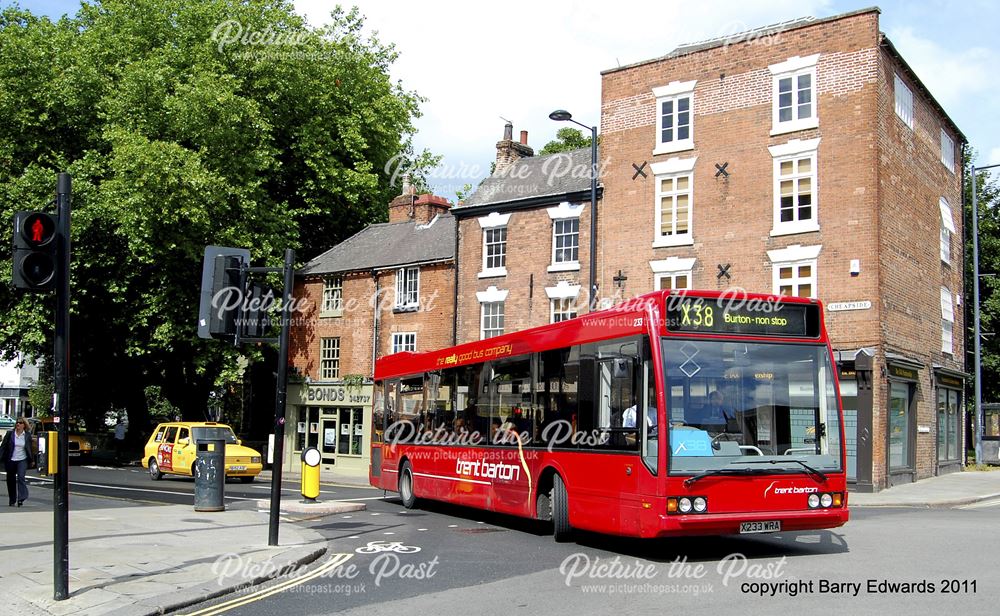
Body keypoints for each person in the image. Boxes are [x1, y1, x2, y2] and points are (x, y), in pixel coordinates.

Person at [1, 417, 35, 507]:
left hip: (22, 460)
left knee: (21, 477)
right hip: (11, 460)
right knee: (11, 480)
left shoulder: (27, 435)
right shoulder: (10, 434)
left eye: (20, 423)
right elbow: (3, 447)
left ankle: (21, 498)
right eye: (17, 423)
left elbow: (30, 449)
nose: (18, 424)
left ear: (24, 425)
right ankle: (12, 499)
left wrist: (32, 460)